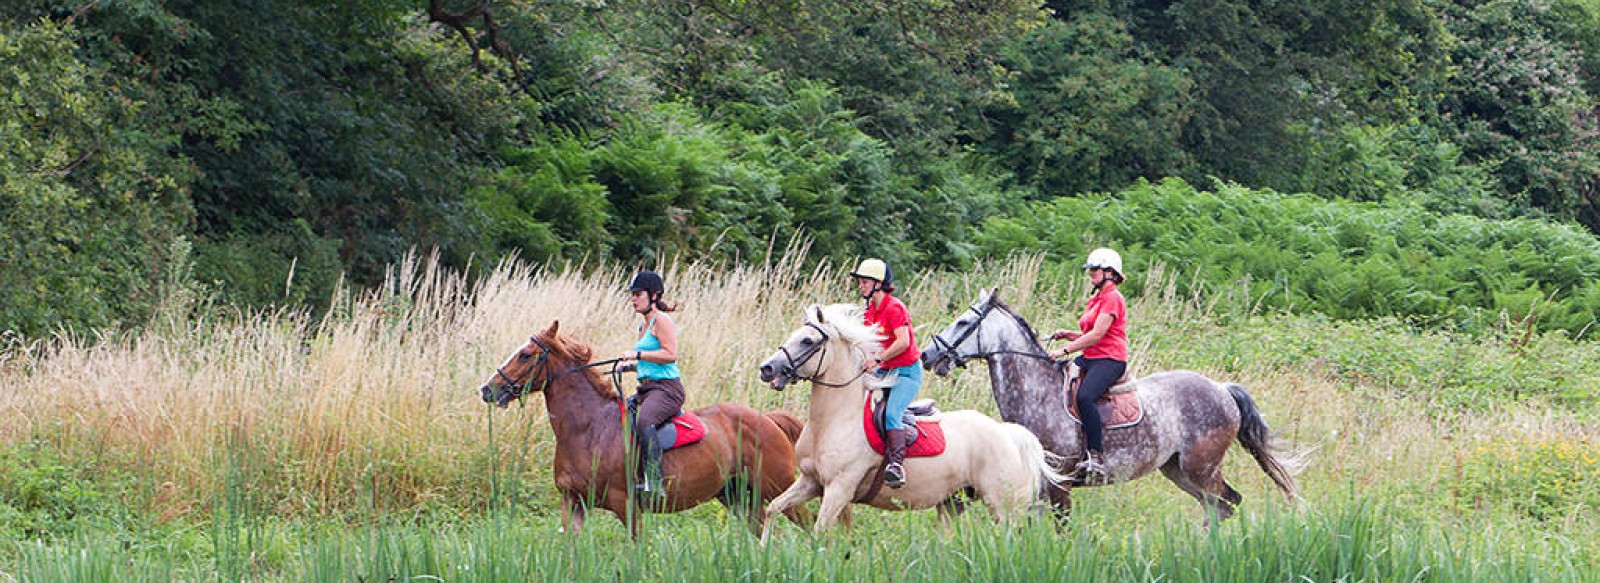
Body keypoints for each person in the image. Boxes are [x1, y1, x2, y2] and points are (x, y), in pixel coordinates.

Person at [1047, 248, 1129, 482]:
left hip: (1110, 359)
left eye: (1095, 269)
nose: (1091, 273)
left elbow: (1098, 335)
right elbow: (1088, 333)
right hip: (1092, 356)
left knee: (1084, 397)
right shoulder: (1096, 298)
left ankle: (1096, 456)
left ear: (1110, 273)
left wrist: (1064, 350)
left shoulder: (1113, 298)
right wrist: (1068, 334)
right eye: (1091, 269)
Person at [850, 258, 923, 488]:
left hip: (906, 373)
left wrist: (878, 359)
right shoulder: (870, 310)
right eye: (860, 282)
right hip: (884, 372)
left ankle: (896, 465)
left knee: (892, 413)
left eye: (864, 282)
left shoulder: (894, 307)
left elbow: (903, 342)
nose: (860, 286)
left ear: (878, 283)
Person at [619, 270, 684, 499]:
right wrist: (628, 367)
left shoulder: (661, 320)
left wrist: (637, 355)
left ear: (654, 295)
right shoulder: (642, 326)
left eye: (638, 294)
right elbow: (649, 361)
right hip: (647, 389)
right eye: (632, 294)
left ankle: (655, 484)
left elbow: (670, 354)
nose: (633, 299)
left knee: (645, 420)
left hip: (667, 389)